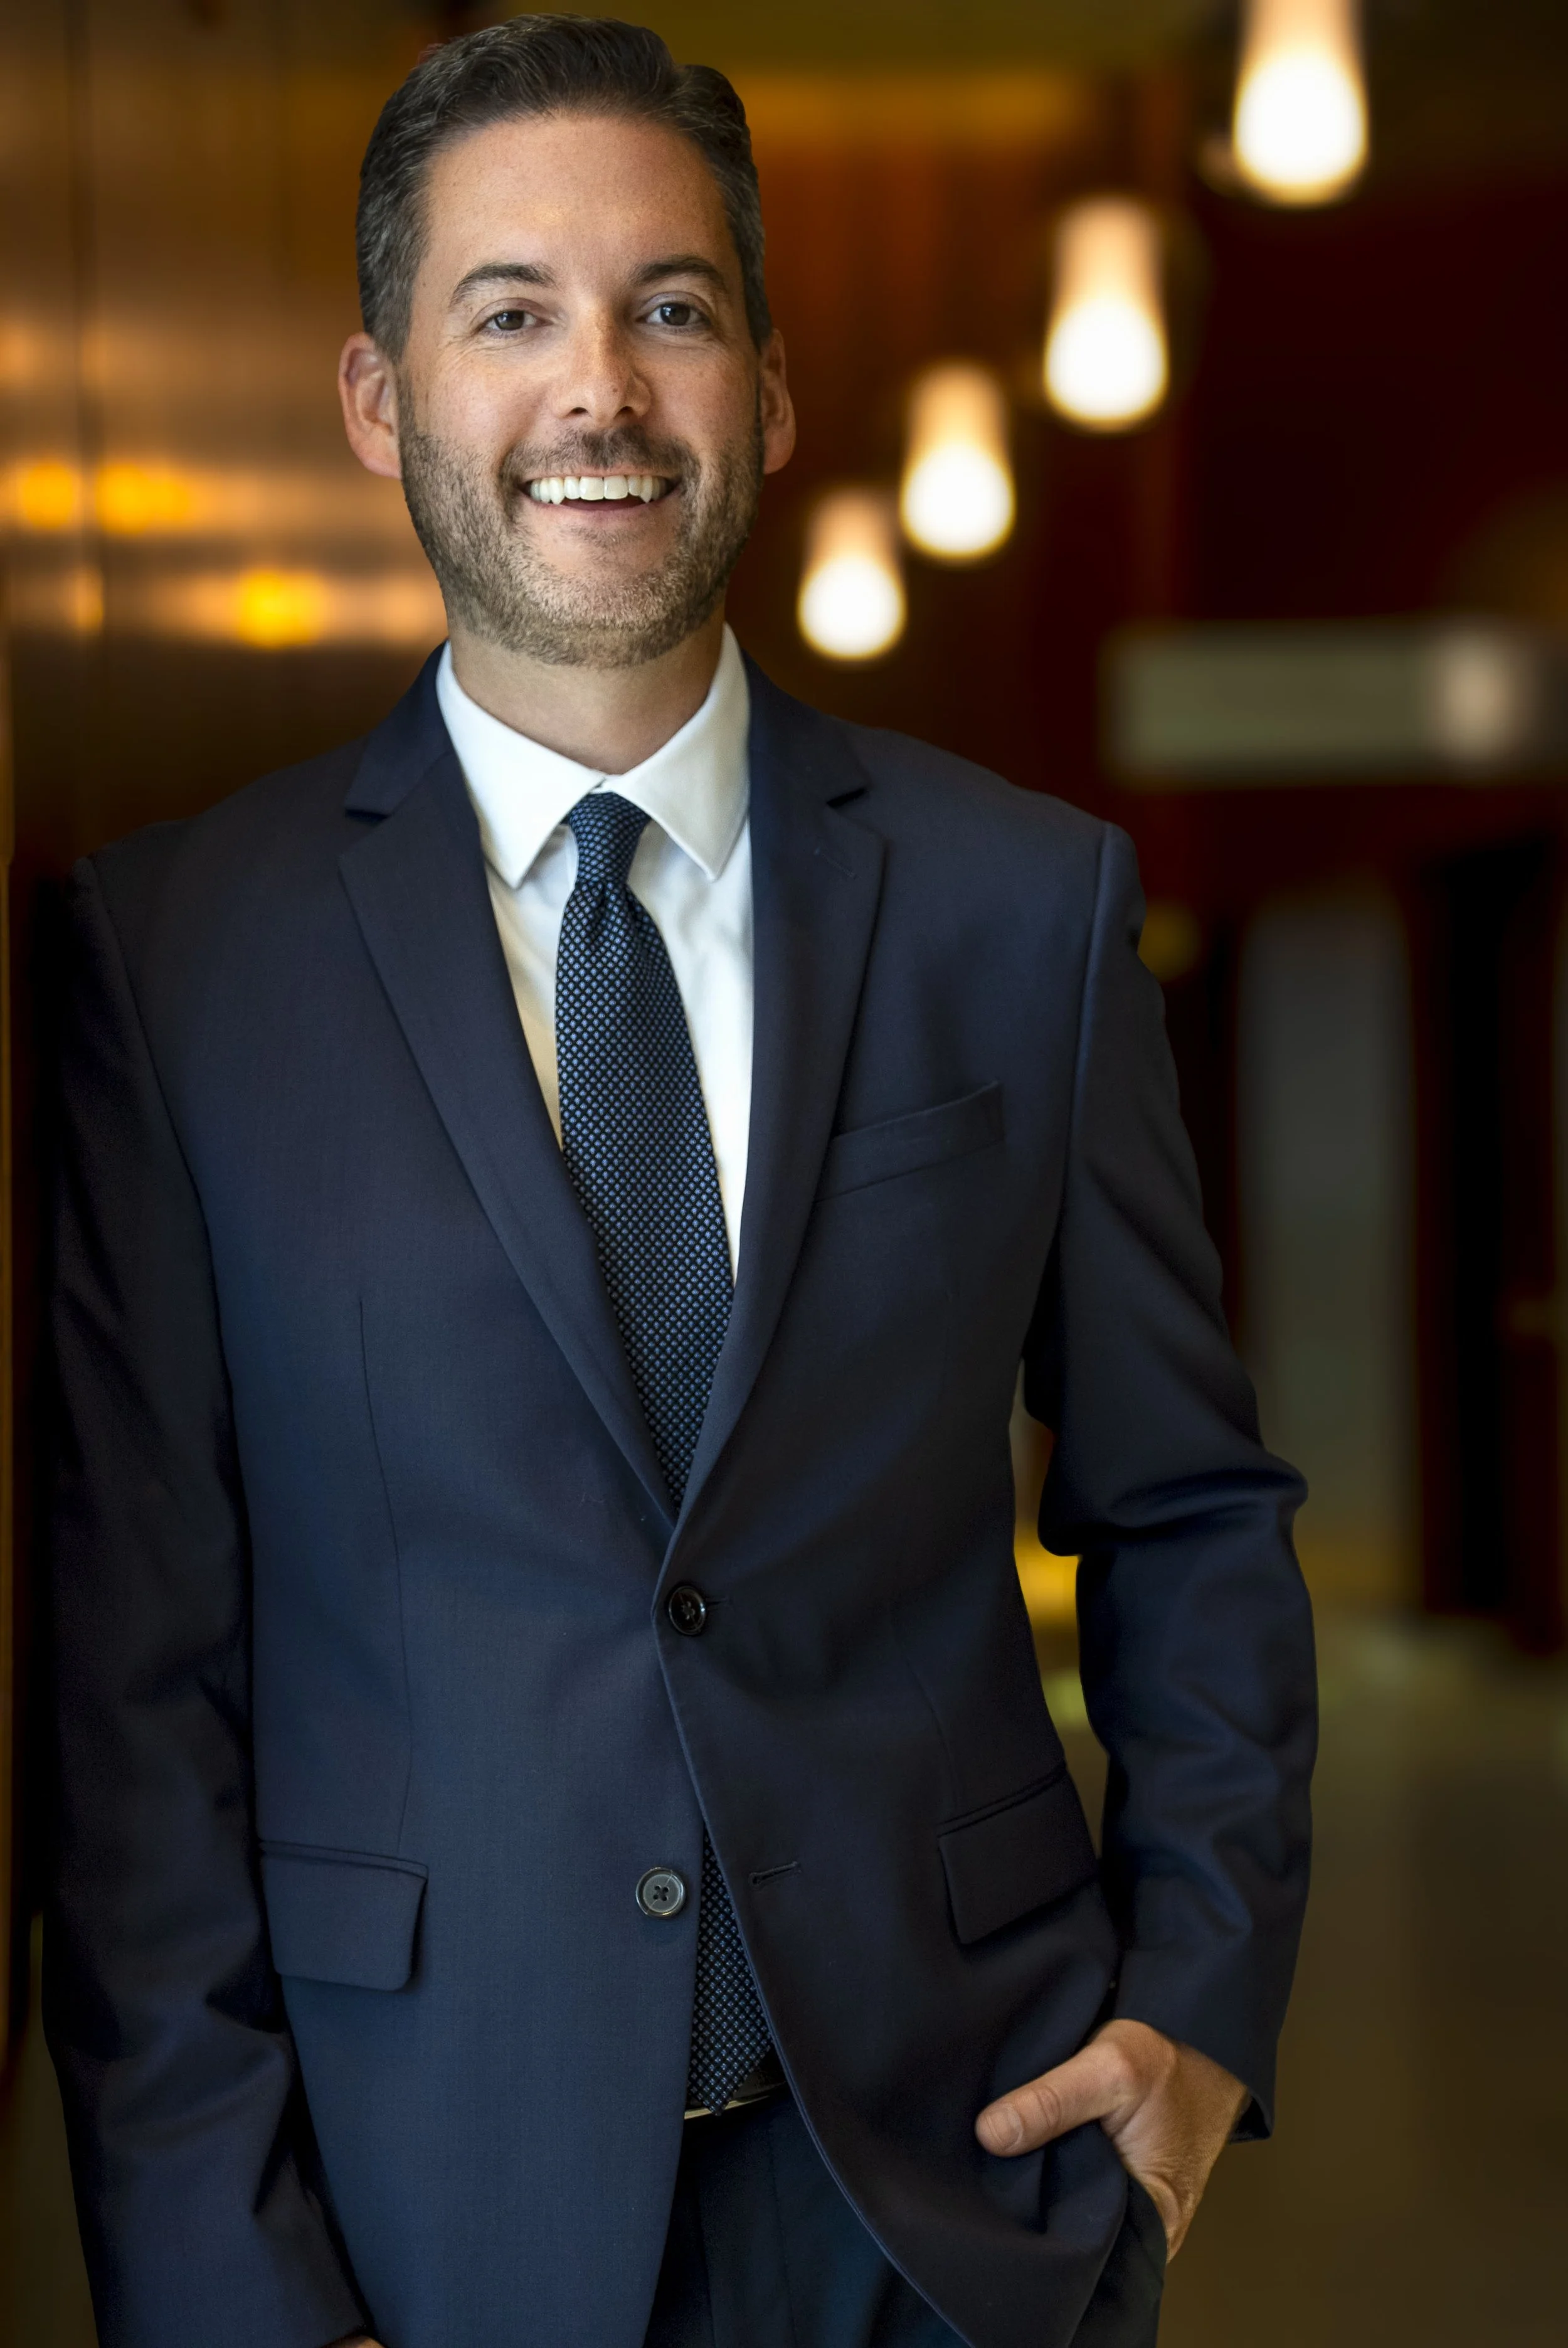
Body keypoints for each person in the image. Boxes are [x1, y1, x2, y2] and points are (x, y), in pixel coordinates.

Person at [45, 18, 1315, 2348]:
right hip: (424, 2219)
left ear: (769, 388)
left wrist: (1201, 2013)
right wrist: (224, 2285)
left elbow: (1188, 1508)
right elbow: (139, 1691)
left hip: (961, 2197)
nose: (597, 389)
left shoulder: (1016, 909)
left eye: (672, 307)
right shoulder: (175, 959)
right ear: (377, 400)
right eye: (509, 311)